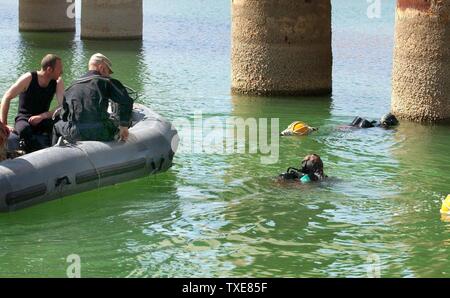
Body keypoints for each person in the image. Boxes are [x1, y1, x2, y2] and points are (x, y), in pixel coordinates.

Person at [52, 53, 133, 145]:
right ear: (101, 67)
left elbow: (64, 116)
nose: (108, 75)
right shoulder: (106, 81)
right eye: (108, 71)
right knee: (116, 121)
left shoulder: (71, 86)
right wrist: (123, 125)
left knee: (56, 126)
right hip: (102, 133)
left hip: (75, 133)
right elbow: (126, 101)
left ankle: (54, 152)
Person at [0, 54, 64, 153]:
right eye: (59, 68)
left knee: (60, 123)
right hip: (24, 118)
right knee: (24, 129)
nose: (62, 72)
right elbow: (6, 97)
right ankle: (37, 151)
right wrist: (4, 125)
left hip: (42, 118)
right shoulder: (29, 78)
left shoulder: (58, 81)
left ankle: (56, 150)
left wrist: (42, 116)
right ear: (49, 69)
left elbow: (61, 106)